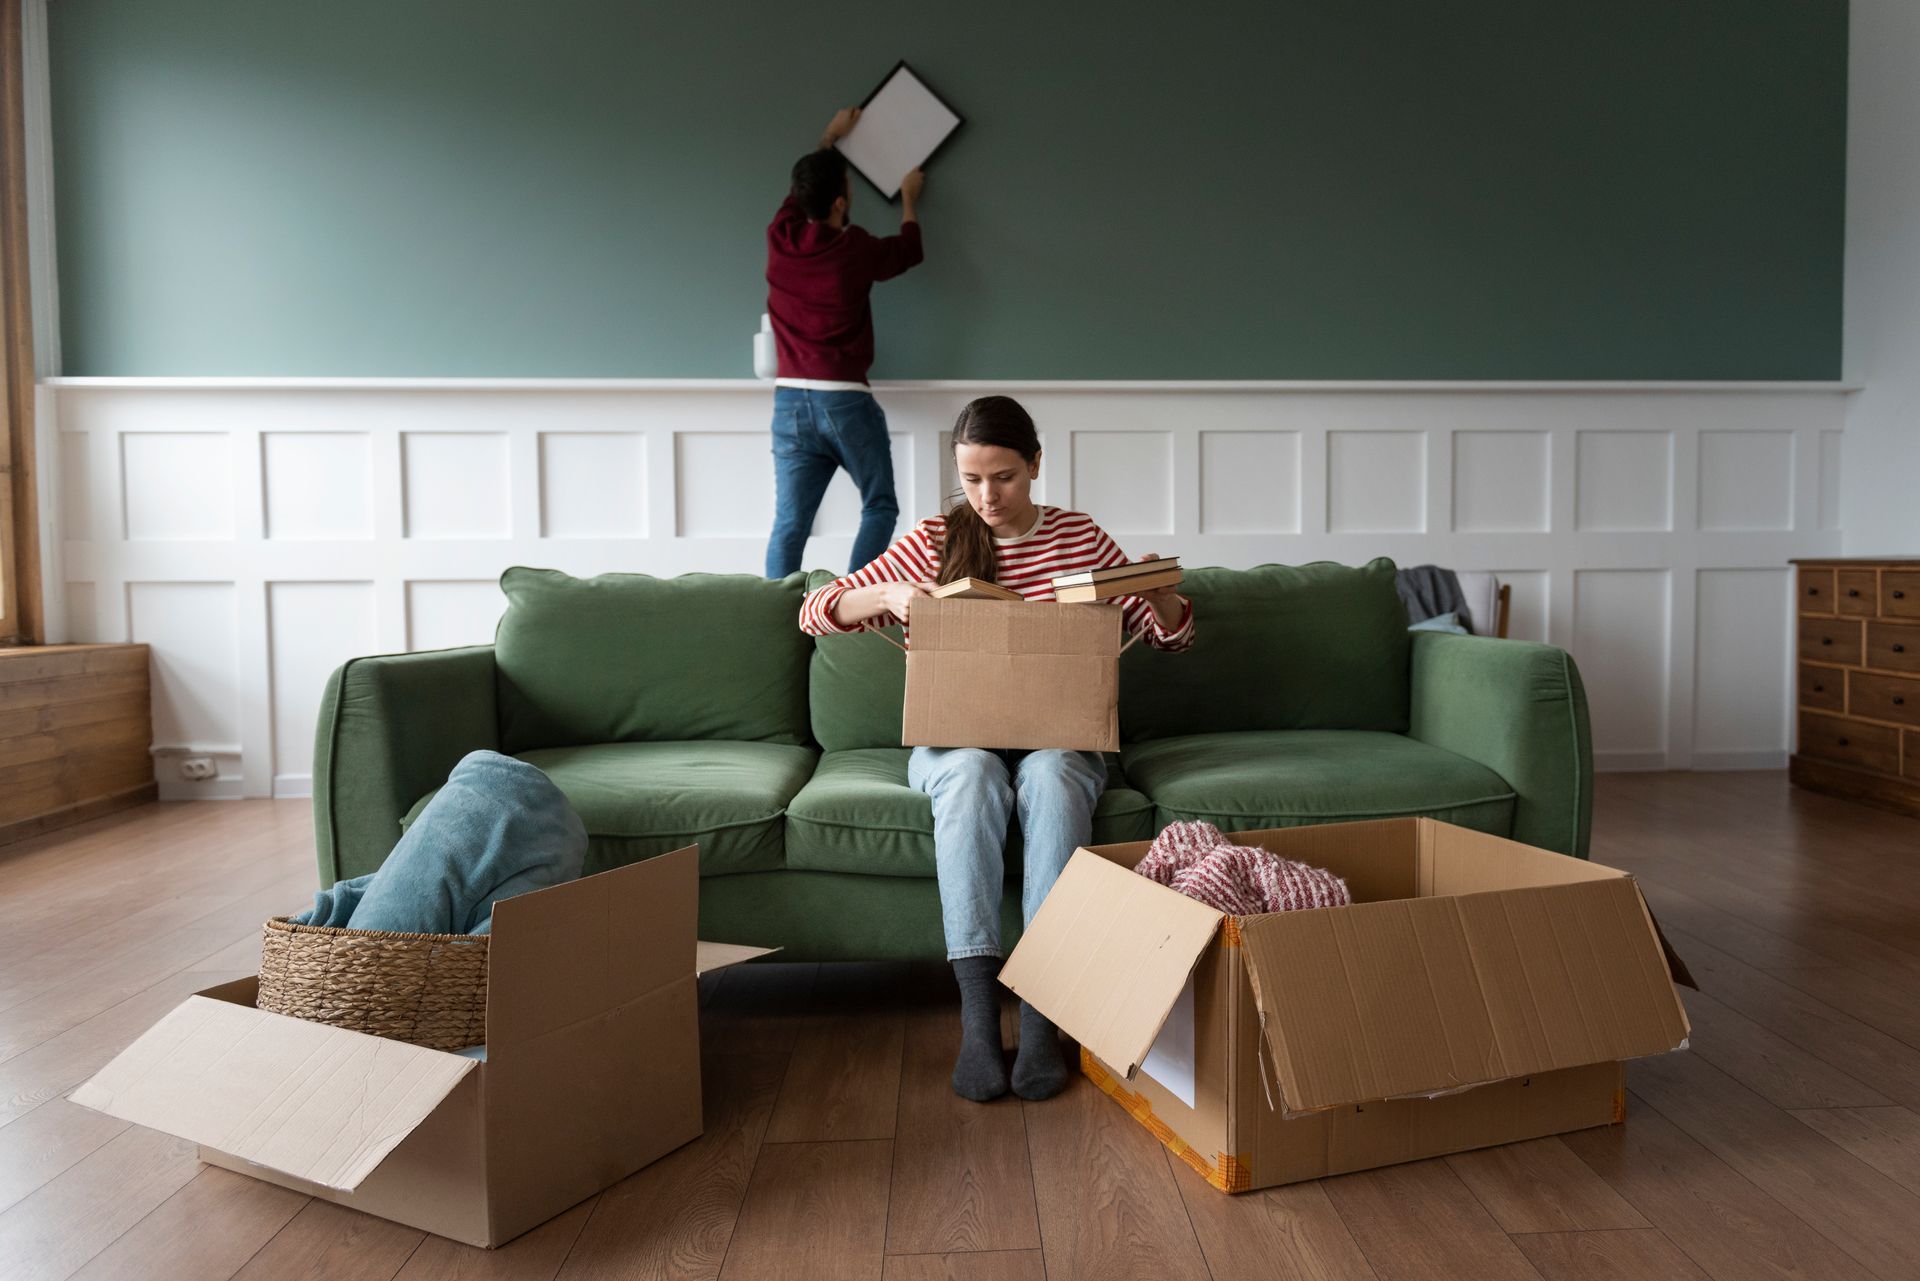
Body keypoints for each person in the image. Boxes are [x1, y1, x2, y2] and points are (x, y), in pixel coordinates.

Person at [799, 396, 1196, 1102]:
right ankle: (980, 1024)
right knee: (975, 773)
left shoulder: (1078, 537)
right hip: (958, 743)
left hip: (1058, 740)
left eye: (1005, 477)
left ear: (1036, 464)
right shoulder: (933, 537)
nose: (988, 497)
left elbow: (1171, 637)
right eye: (973, 479)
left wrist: (1158, 594)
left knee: (1050, 776)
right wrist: (888, 592)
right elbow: (814, 611)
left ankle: (1042, 1021)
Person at [764, 107, 926, 580]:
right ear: (838, 203)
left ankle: (775, 619)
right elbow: (909, 250)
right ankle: (848, 609)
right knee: (879, 506)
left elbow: (801, 192)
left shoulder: (781, 237)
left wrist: (828, 138)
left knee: (790, 524)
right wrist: (910, 200)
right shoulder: (853, 249)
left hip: (789, 401)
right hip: (845, 401)